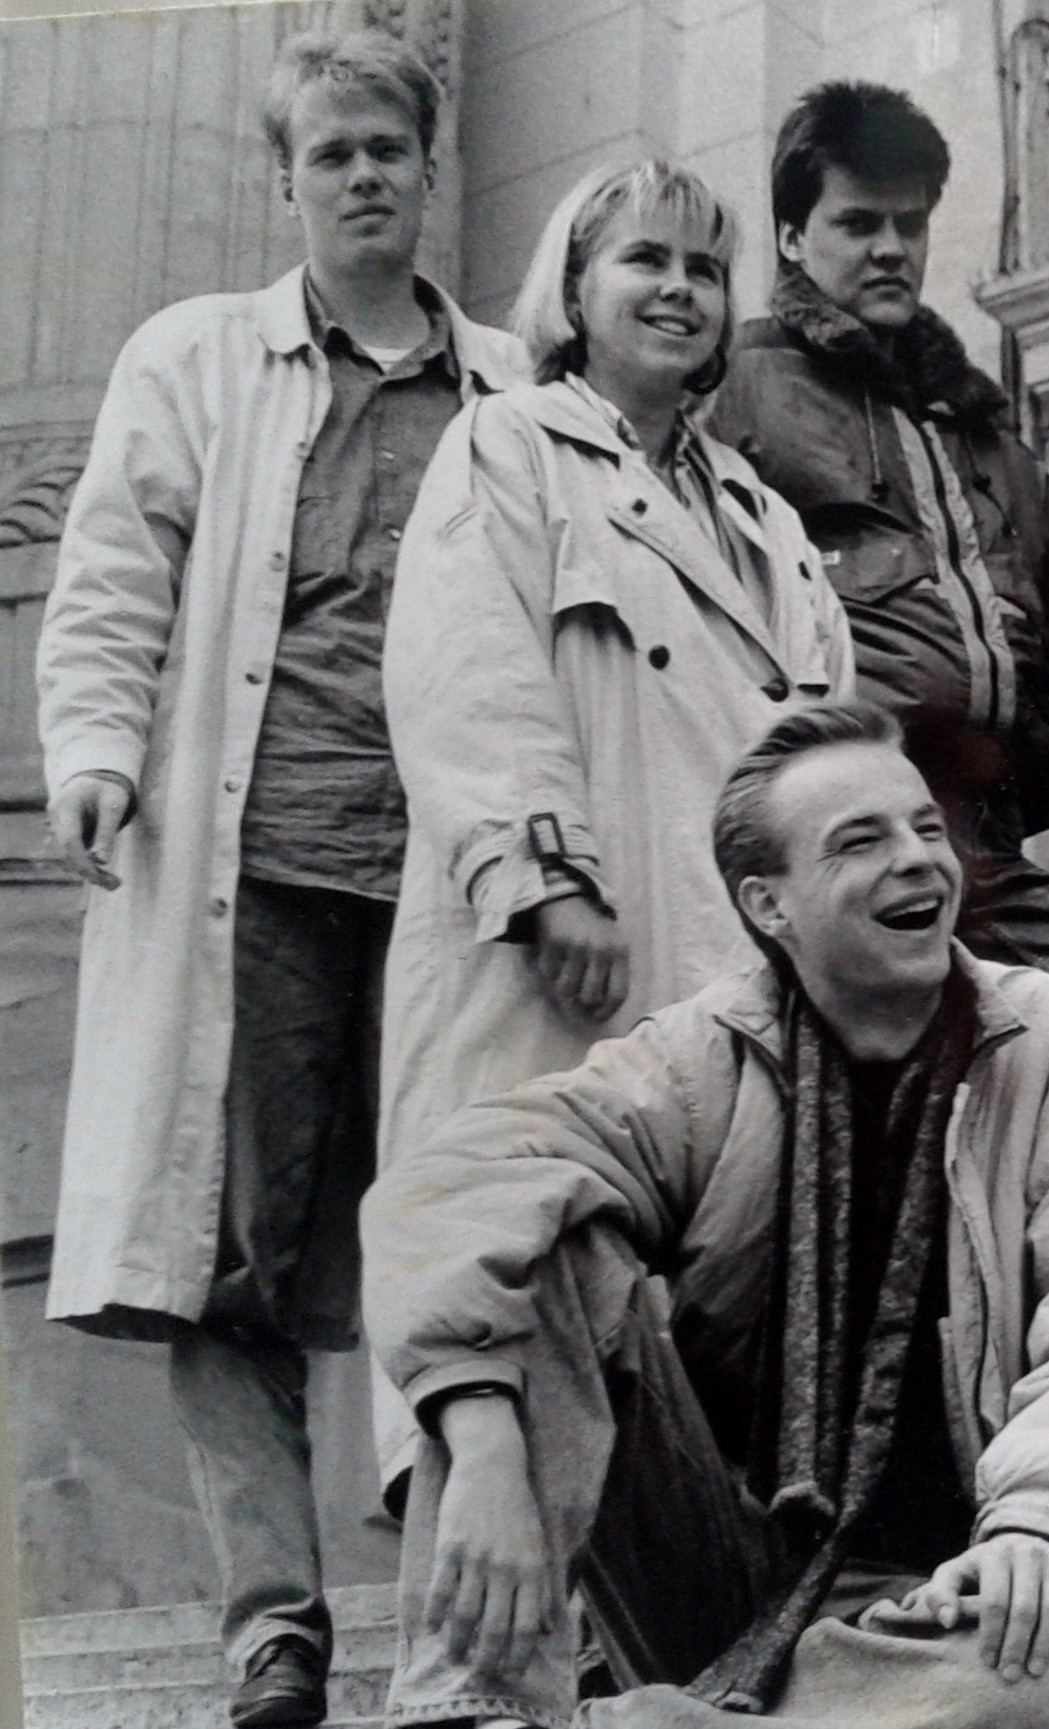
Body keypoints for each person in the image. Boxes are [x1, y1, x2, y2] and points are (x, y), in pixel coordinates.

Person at [360, 701, 1049, 1729]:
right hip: (718, 1565)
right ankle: (471, 1706)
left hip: (950, 1584)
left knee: (1042, 1662)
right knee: (547, 1234)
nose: (918, 859)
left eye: (926, 827)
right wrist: (483, 1428)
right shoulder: (700, 1059)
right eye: (861, 841)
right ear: (770, 904)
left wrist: (1041, 1523)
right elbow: (448, 1186)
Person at [33, 31, 526, 1726]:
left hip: (456, 894)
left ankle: (459, 1617)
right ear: (287, 181)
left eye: (388, 145)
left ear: (429, 166)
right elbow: (113, 574)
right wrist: (95, 753)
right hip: (254, 874)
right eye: (331, 152)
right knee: (226, 1248)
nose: (363, 174)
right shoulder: (196, 359)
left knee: (456, 1244)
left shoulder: (511, 387)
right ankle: (272, 1625)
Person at [377, 157, 856, 1475]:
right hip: (568, 960)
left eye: (704, 268)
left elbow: (829, 755)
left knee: (700, 1358)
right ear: (575, 287)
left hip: (730, 976)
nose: (678, 289)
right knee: (523, 1297)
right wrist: (547, 876)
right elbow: (465, 670)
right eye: (645, 259)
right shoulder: (505, 445)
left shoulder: (767, 519)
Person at [706, 82, 1049, 973]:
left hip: (982, 841)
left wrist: (1024, 770)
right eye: (858, 224)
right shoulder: (738, 392)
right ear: (791, 236)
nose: (891, 248)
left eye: (910, 224)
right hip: (826, 842)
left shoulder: (987, 439)